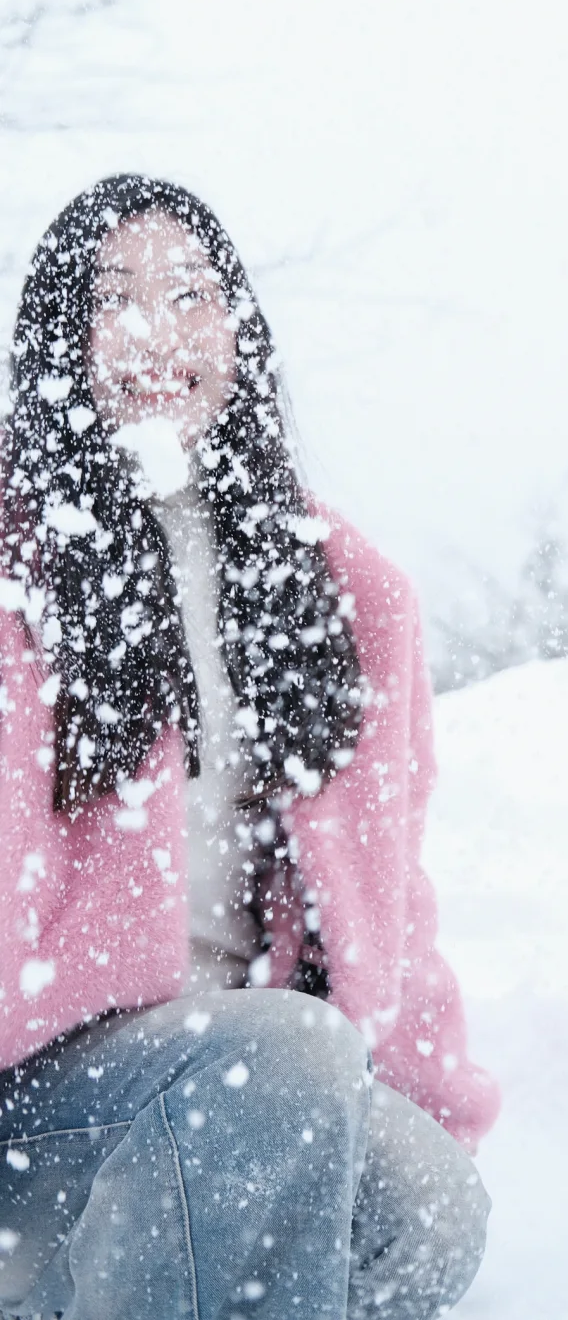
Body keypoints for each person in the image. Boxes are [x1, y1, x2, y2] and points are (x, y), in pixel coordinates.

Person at [0, 175, 498, 1320]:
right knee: (274, 1058)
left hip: (256, 1084)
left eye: (191, 295)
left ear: (239, 334)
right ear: (58, 345)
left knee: (429, 1207)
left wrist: (426, 1104)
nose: (157, 332)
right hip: (38, 1112)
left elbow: (390, 898)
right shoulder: (16, 572)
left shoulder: (344, 593)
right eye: (114, 299)